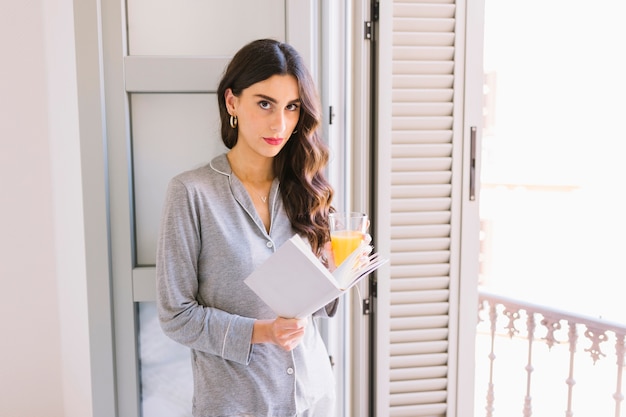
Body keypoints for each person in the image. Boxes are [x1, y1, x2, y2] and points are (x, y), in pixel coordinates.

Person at [156, 39, 338, 417]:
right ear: (232, 102)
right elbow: (176, 316)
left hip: (312, 397)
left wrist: (340, 270)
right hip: (236, 404)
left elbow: (314, 307)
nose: (280, 123)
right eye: (264, 103)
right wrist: (263, 332)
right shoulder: (191, 194)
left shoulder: (304, 189)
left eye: (291, 107)